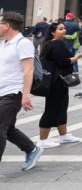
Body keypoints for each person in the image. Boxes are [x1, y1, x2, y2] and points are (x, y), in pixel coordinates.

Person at [0, 11, 43, 170]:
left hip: (13, 93)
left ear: (7, 25)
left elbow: (28, 70)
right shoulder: (4, 43)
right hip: (2, 91)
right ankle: (32, 149)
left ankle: (32, 150)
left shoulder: (23, 43)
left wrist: (25, 95)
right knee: (8, 128)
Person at [36, 21, 82, 148]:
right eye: (61, 29)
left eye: (64, 29)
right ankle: (42, 140)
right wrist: (76, 58)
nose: (64, 31)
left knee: (61, 108)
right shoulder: (56, 44)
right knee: (52, 109)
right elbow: (63, 62)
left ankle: (63, 136)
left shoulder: (48, 43)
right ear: (53, 32)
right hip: (56, 82)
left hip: (57, 81)